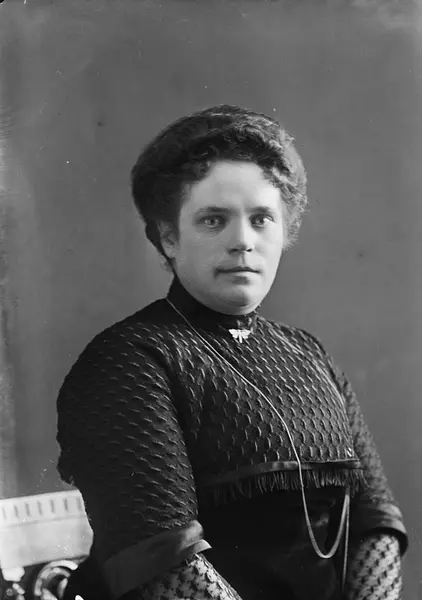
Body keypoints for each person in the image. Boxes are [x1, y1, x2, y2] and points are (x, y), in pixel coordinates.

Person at [56, 104, 407, 600]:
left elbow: (374, 522)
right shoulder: (129, 361)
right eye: (213, 220)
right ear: (168, 236)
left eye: (261, 219)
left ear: (284, 231)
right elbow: (162, 561)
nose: (243, 241)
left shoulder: (307, 354)